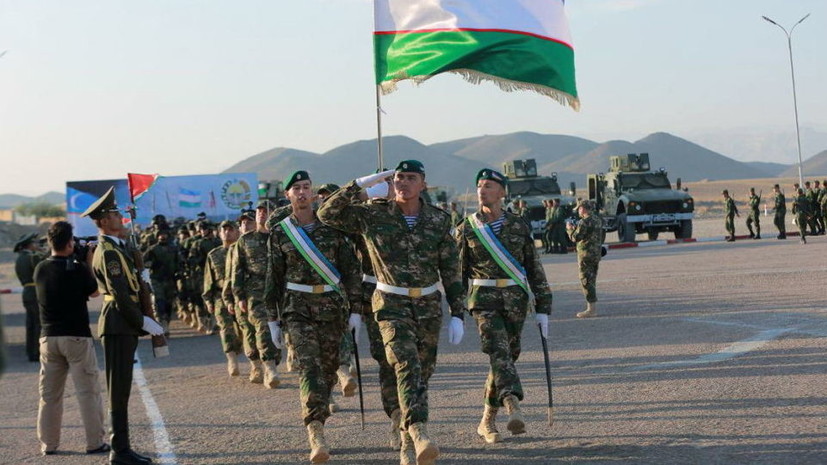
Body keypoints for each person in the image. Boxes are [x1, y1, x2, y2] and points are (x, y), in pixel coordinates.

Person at [318, 160, 466, 465]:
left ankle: (405, 437)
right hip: (390, 303)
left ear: (423, 183)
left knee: (422, 373)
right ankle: (419, 432)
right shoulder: (373, 215)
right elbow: (326, 213)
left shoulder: (438, 220)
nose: (403, 182)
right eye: (398, 177)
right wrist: (360, 184)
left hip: (428, 306)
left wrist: (457, 313)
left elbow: (451, 269)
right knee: (406, 364)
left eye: (410, 178)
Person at [265, 170, 362, 463]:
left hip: (332, 307)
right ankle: (315, 431)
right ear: (288, 195)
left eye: (306, 187)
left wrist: (356, 310)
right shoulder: (281, 232)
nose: (302, 192)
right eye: (296, 188)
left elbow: (351, 270)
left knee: (329, 370)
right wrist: (272, 319)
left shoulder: (332, 227)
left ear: (313, 192)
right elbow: (274, 277)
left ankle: (320, 415)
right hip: (298, 309)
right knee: (309, 367)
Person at [455, 169, 553, 444]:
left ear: (502, 192)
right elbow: (457, 274)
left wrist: (543, 307)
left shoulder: (518, 225)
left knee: (505, 358)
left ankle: (487, 420)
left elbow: (534, 267)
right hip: (483, 301)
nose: (482, 190)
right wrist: (455, 312)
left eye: (488, 186)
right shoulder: (467, 228)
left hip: (515, 301)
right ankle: (513, 404)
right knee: (498, 350)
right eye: (479, 186)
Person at [81, 187, 164, 465]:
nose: (121, 217)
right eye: (116, 214)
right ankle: (119, 450)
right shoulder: (108, 252)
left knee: (123, 389)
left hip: (122, 323)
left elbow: (130, 286)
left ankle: (123, 447)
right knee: (118, 390)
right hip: (118, 322)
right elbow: (119, 293)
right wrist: (143, 321)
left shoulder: (118, 248)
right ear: (104, 221)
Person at [34, 221, 109, 456]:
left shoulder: (40, 269)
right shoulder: (77, 269)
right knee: (87, 392)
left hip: (48, 338)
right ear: (69, 244)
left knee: (49, 396)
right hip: (76, 337)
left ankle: (49, 444)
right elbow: (95, 291)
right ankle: (94, 442)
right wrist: (88, 262)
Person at [232, 200, 281, 389]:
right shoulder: (245, 240)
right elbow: (237, 270)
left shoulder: (281, 237)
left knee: (281, 330)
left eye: (266, 211)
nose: (262, 214)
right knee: (263, 328)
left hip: (281, 290)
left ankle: (275, 360)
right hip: (256, 293)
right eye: (259, 211)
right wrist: (239, 296)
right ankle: (269, 367)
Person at [223, 210, 265, 383]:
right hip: (242, 296)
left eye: (249, 222)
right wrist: (229, 299)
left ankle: (269, 362)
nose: (246, 225)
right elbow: (230, 276)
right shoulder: (235, 248)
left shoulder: (266, 241)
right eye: (243, 223)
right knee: (248, 332)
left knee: (265, 330)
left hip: (262, 295)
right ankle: (256, 366)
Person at [203, 221, 243, 377]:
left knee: (245, 329)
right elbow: (209, 279)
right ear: (219, 234)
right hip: (221, 297)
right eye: (224, 230)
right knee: (226, 329)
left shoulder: (244, 250)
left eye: (230, 229)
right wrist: (208, 299)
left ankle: (253, 360)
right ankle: (232, 359)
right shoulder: (214, 255)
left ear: (237, 232)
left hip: (241, 296)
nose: (227, 232)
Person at [568, 200, 603, 318]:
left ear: (583, 208)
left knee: (586, 280)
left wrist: (569, 229)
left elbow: (575, 237)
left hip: (586, 255)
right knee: (592, 279)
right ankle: (592, 308)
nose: (578, 211)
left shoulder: (584, 222)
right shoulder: (597, 219)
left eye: (579, 208)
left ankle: (591, 309)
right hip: (595, 254)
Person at [14, 232, 47, 362]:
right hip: (35, 291)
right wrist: (48, 250)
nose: (36, 245)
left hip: (27, 291)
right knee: (38, 322)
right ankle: (36, 352)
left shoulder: (20, 258)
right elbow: (44, 264)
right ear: (28, 245)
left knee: (31, 323)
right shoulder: (31, 257)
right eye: (34, 243)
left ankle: (30, 351)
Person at [142, 228, 178, 335]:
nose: (162, 236)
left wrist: (179, 271)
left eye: (164, 234)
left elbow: (179, 262)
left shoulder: (173, 249)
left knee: (169, 303)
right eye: (160, 234)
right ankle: (162, 322)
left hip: (170, 279)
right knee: (159, 301)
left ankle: (166, 321)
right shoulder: (152, 249)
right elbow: (143, 263)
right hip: (157, 279)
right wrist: (151, 264)